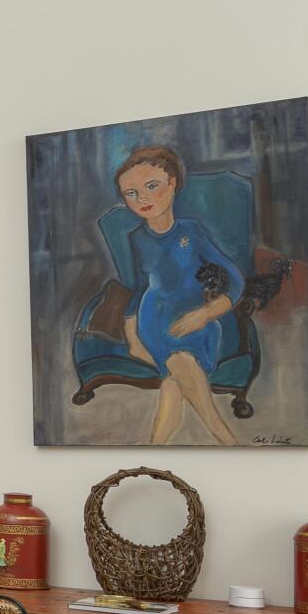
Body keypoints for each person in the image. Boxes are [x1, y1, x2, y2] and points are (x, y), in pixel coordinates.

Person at [111, 144, 241, 445]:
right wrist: (132, 336)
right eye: (130, 193)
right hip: (153, 324)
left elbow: (234, 281)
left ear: (173, 184)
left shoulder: (192, 232)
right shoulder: (136, 239)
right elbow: (139, 289)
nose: (142, 198)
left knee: (175, 382)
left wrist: (206, 313)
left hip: (196, 323)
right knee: (181, 364)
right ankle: (228, 442)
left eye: (151, 186)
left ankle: (156, 450)